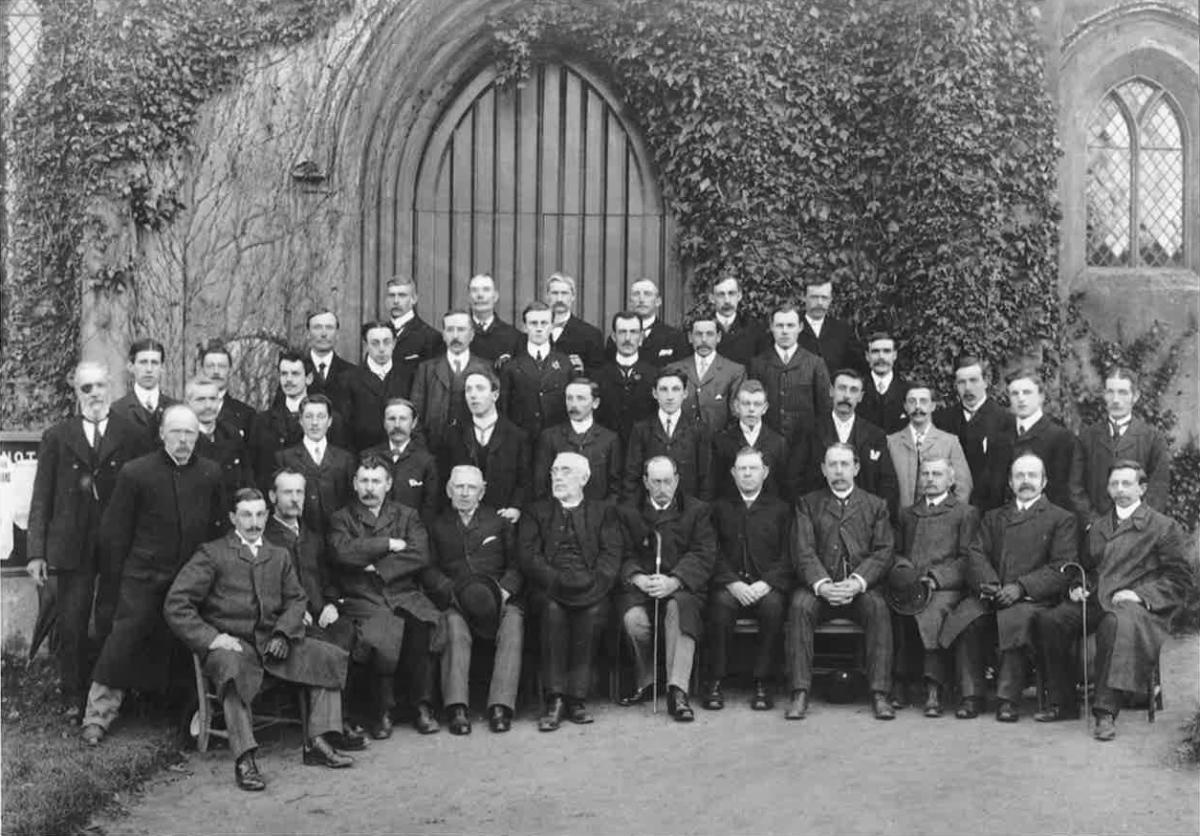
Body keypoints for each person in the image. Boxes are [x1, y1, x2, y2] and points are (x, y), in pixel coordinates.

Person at [164, 489, 355, 791]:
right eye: (245, 515)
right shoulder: (212, 554)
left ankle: (318, 740)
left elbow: (297, 600)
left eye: (259, 514)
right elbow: (176, 604)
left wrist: (283, 632)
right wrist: (212, 639)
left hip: (272, 642)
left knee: (326, 654)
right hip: (233, 645)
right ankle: (245, 758)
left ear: (267, 515)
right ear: (232, 518)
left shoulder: (277, 554)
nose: (253, 523)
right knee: (232, 669)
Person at [80, 405, 225, 745]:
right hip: (142, 575)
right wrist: (117, 581)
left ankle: (191, 714)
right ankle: (97, 716)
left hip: (190, 578)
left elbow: (217, 528)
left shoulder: (211, 473)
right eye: (176, 432)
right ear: (162, 434)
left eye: (190, 433)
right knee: (123, 640)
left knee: (193, 641)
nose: (183, 440)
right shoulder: (136, 473)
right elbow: (115, 533)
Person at [1033, 461, 1190, 740]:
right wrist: (1077, 587)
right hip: (1098, 598)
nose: (1120, 490)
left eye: (1127, 483)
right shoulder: (1099, 527)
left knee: (1112, 623)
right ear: (1107, 488)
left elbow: (1179, 579)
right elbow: (1084, 567)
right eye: (1114, 484)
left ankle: (1105, 712)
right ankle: (1064, 702)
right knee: (1050, 621)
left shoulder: (1163, 527)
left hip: (1136, 608)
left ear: (1142, 488)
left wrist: (1140, 595)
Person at [26, 361, 145, 715]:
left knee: (110, 618)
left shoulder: (131, 435)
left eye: (99, 386)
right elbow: (41, 497)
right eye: (86, 388)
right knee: (72, 621)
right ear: (76, 393)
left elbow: (142, 495)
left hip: (115, 543)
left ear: (110, 387)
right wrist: (36, 553)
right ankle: (74, 697)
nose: (94, 394)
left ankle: (109, 695)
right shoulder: (58, 436)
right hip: (70, 544)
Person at [940, 452, 1075, 722]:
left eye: (1032, 475)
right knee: (967, 617)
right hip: (992, 592)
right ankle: (971, 695)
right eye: (1019, 476)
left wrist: (1021, 588)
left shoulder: (1061, 518)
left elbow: (1062, 567)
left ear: (1044, 482)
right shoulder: (993, 517)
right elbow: (975, 553)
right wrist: (990, 585)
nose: (1026, 481)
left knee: (1016, 619)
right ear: (1011, 484)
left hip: (1032, 599)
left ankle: (1007, 699)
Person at [328, 454, 441, 737]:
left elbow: (419, 554)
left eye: (376, 481)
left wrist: (375, 567)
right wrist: (388, 543)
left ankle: (421, 706)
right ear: (354, 484)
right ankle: (383, 710)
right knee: (380, 634)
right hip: (362, 596)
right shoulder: (341, 518)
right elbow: (343, 552)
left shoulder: (407, 515)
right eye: (364, 481)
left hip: (403, 593)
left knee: (423, 627)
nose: (369, 488)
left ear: (388, 484)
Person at [786, 443, 896, 721]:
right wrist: (822, 585)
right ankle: (800, 691)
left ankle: (879, 692)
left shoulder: (875, 505)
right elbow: (803, 551)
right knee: (800, 606)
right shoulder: (807, 504)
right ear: (823, 469)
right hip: (821, 588)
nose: (839, 471)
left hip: (860, 589)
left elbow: (884, 551)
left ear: (856, 468)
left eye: (845, 464)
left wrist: (858, 582)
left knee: (878, 608)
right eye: (832, 465)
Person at [519, 453, 622, 731]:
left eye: (566, 471)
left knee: (593, 612)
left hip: (592, 587)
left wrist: (594, 584)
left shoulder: (603, 512)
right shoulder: (536, 511)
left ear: (584, 478)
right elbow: (529, 556)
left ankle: (577, 698)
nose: (558, 477)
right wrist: (556, 580)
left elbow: (611, 556)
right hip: (549, 587)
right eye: (554, 471)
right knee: (553, 612)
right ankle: (555, 699)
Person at [423, 466, 524, 734]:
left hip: (496, 597)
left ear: (482, 492)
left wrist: (504, 591)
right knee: (453, 626)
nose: (465, 493)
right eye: (459, 487)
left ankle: (500, 706)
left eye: (471, 488)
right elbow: (428, 568)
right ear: (449, 490)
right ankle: (457, 707)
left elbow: (516, 566)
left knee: (513, 621)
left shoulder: (498, 522)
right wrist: (449, 591)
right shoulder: (436, 525)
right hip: (456, 599)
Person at [615, 456, 715, 722]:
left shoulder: (696, 510)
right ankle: (648, 681)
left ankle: (677, 690)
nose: (662, 488)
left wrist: (675, 580)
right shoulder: (628, 511)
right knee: (633, 620)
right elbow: (619, 552)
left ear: (677, 481)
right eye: (656, 481)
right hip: (642, 588)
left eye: (667, 481)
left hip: (682, 588)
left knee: (677, 608)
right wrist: (636, 577)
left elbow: (703, 553)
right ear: (646, 482)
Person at [887, 457, 978, 717]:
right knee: (889, 608)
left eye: (937, 474)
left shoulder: (964, 513)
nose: (929, 479)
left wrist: (937, 578)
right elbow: (898, 551)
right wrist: (905, 571)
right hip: (910, 584)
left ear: (950, 480)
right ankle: (899, 680)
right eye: (925, 474)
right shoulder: (908, 513)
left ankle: (933, 687)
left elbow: (967, 559)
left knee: (931, 612)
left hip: (945, 587)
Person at [705, 448, 795, 711]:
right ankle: (715, 680)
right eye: (742, 469)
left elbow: (789, 554)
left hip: (766, 585)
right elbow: (712, 551)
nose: (747, 473)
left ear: (764, 473)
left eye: (753, 468)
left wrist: (766, 583)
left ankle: (763, 682)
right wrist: (732, 583)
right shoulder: (718, 508)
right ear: (733, 473)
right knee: (720, 607)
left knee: (773, 607)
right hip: (730, 585)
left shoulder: (781, 509)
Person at [263, 468, 352, 653]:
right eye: (288, 492)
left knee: (352, 636)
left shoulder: (313, 536)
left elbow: (329, 579)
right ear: (273, 496)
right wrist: (291, 615)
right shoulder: (264, 539)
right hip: (288, 623)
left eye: (299, 492)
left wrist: (331, 604)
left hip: (321, 617)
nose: (295, 498)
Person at [1069, 367, 1170, 527]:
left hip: (1137, 534)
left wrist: (1137, 524)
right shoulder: (1087, 437)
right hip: (1095, 532)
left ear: (1135, 397)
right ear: (1104, 395)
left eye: (1123, 392)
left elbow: (1158, 489)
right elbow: (1075, 486)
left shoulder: (1152, 438)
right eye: (1110, 392)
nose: (1116, 399)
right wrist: (1093, 521)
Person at [791, 369, 898, 517]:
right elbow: (795, 478)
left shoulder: (875, 435)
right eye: (842, 388)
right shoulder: (809, 430)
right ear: (831, 391)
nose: (847, 396)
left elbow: (887, 483)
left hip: (863, 520)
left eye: (853, 390)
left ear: (860, 397)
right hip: (819, 519)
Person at [249, 350, 348, 491]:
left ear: (309, 378)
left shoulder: (331, 420)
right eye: (284, 374)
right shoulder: (262, 421)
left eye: (295, 374)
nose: (288, 380)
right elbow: (256, 468)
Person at [443, 370, 531, 522]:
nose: (473, 395)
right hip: (462, 519)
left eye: (480, 388)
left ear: (495, 395)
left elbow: (524, 479)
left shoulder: (517, 436)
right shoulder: (454, 434)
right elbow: (445, 476)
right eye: (468, 389)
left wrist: (515, 507)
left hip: (502, 516)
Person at [622, 368, 713, 504]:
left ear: (685, 393)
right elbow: (632, 476)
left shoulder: (698, 429)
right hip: (649, 510)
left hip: (688, 509)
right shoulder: (642, 429)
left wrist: (699, 512)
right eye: (664, 389)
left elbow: (705, 477)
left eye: (676, 389)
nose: (670, 396)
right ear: (655, 393)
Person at [933, 354, 1010, 513]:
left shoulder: (1005, 421)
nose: (968, 388)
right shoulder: (941, 421)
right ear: (955, 385)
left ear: (986, 381)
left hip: (992, 514)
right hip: (950, 513)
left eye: (974, 380)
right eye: (962, 382)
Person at [747, 304, 832, 443]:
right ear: (772, 327)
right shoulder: (758, 364)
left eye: (790, 325)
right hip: (768, 444)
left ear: (800, 327)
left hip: (805, 445)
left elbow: (825, 407)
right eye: (780, 325)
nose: (785, 331)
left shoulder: (815, 363)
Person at [410, 309, 491, 455]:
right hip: (433, 451)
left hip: (473, 452)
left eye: (461, 330)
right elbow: (415, 415)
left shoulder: (486, 368)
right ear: (443, 335)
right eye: (450, 330)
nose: (455, 336)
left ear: (472, 334)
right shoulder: (427, 369)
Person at [275, 395, 356, 537]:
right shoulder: (285, 458)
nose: (314, 423)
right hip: (301, 538)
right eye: (308, 416)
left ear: (330, 421)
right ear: (300, 420)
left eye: (321, 416)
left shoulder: (345, 459)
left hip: (339, 537)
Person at [886, 383, 972, 511]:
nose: (918, 407)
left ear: (933, 406)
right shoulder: (891, 442)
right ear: (905, 406)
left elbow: (963, 487)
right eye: (912, 401)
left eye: (923, 401)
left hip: (939, 524)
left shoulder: (949, 442)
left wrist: (950, 518)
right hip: (899, 523)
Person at [533, 378, 622, 501]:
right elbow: (541, 485)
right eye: (569, 398)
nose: (574, 404)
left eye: (581, 398)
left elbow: (615, 487)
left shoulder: (609, 439)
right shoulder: (550, 437)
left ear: (595, 403)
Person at [1003, 368, 1076, 512]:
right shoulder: (1001, 436)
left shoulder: (1060, 438)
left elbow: (1062, 493)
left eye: (1027, 392)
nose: (1021, 398)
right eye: (1015, 393)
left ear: (1041, 396)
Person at [499, 301, 572, 441]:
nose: (539, 328)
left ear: (552, 326)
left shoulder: (565, 364)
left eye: (544, 323)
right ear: (525, 327)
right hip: (522, 441)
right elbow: (504, 409)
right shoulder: (511, 367)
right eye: (533, 323)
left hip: (557, 441)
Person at [711, 380, 790, 500]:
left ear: (765, 408)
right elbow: (716, 486)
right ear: (736, 406)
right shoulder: (722, 441)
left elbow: (783, 487)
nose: (751, 409)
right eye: (746, 404)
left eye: (757, 404)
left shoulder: (778, 443)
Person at [665, 317, 745, 435]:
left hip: (717, 445)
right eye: (698, 334)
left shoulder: (734, 371)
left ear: (718, 337)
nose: (704, 340)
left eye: (709, 334)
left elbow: (737, 415)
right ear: (690, 337)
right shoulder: (674, 369)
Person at [363, 398, 440, 519]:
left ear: (414, 423)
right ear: (384, 423)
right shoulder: (368, 456)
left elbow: (429, 508)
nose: (397, 425)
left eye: (403, 419)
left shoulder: (426, 461)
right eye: (392, 419)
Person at [343, 321, 411, 452]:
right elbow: (345, 427)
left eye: (386, 342)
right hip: (362, 454)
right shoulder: (349, 379)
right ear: (365, 345)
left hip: (400, 453)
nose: (381, 348)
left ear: (394, 343)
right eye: (375, 343)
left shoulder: (408, 376)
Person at [592, 311, 658, 445]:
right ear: (614, 337)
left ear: (641, 337)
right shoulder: (598, 377)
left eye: (633, 332)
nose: (627, 338)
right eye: (622, 332)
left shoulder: (655, 376)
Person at [188, 375, 254, 497]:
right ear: (188, 403)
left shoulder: (231, 434)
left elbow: (246, 478)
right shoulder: (182, 437)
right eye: (201, 399)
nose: (208, 405)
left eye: (213, 399)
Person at [605, 278, 690, 367]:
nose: (641, 299)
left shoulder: (675, 337)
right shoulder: (615, 339)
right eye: (636, 294)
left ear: (658, 301)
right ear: (630, 302)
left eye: (647, 294)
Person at [110, 338, 178, 448]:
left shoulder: (176, 409)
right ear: (131, 367)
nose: (149, 369)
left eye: (155, 363)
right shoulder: (117, 410)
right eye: (143, 362)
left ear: (162, 368)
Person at [796, 277, 866, 377]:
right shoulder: (790, 327)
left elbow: (854, 367)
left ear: (830, 300)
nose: (819, 302)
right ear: (803, 297)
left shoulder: (843, 330)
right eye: (814, 297)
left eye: (824, 298)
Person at [545, 272, 605, 375]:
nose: (559, 299)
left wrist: (583, 370)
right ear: (547, 296)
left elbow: (599, 375)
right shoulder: (536, 331)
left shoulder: (591, 335)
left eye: (564, 293)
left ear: (573, 297)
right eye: (555, 293)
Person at [197, 340, 256, 437]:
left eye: (222, 366)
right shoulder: (187, 412)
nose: (216, 372)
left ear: (230, 371)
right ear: (202, 370)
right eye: (210, 366)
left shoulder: (247, 415)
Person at [709, 275, 770, 368]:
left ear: (739, 296)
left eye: (731, 293)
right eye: (721, 294)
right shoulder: (702, 327)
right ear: (712, 298)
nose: (727, 300)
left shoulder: (755, 328)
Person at [387, 276, 443, 373]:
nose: (396, 301)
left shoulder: (430, 337)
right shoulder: (377, 332)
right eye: (392, 295)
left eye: (402, 295)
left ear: (414, 299)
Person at [305, 310, 357, 411]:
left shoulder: (353, 373)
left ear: (337, 334)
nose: (324, 334)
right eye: (317, 327)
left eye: (329, 327)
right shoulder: (295, 371)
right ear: (308, 333)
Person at [858, 331, 909, 434]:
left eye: (886, 351)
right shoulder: (857, 390)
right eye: (875, 351)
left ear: (894, 355)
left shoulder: (908, 391)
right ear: (867, 356)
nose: (881, 357)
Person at [466, 273, 522, 366]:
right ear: (468, 297)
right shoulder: (457, 334)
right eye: (474, 290)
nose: (480, 295)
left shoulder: (513, 337)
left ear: (495, 296)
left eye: (486, 290)